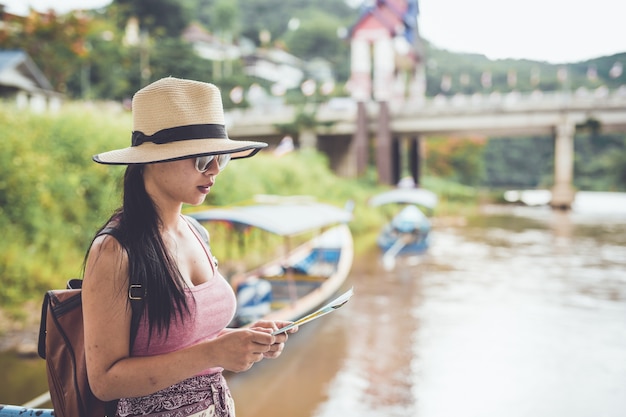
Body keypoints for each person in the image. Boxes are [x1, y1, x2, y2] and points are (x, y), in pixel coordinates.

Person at [81, 77, 298, 417]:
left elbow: (184, 338)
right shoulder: (116, 251)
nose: (214, 171)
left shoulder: (197, 232)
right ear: (152, 158)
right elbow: (105, 380)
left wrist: (242, 339)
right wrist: (213, 354)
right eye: (202, 160)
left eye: (220, 159)